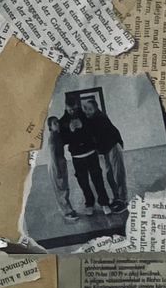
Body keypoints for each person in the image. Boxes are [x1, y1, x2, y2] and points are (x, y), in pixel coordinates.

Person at [48, 89, 126, 220]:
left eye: (74, 108)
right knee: (83, 182)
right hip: (77, 157)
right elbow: (63, 141)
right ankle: (89, 204)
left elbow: (95, 133)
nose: (72, 111)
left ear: (77, 106)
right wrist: (70, 131)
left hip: (91, 153)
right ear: (66, 107)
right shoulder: (62, 121)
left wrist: (83, 126)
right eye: (70, 109)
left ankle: (104, 203)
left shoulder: (85, 116)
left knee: (98, 179)